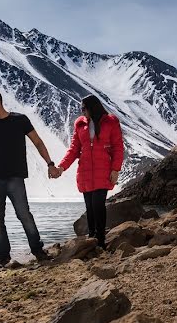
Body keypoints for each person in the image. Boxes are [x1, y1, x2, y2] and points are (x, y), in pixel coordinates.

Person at [0, 89, 60, 266]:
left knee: (24, 215)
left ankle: (38, 251)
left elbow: (37, 142)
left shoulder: (19, 120)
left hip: (15, 179)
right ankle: (3, 259)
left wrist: (50, 164)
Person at [53, 94, 124, 248]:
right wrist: (61, 167)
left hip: (103, 171)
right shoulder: (79, 124)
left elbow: (118, 147)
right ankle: (92, 238)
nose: (82, 111)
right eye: (81, 108)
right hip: (85, 172)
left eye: (84, 108)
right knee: (90, 207)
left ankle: (100, 240)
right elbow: (73, 150)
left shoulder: (110, 121)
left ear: (93, 107)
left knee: (98, 204)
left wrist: (115, 169)